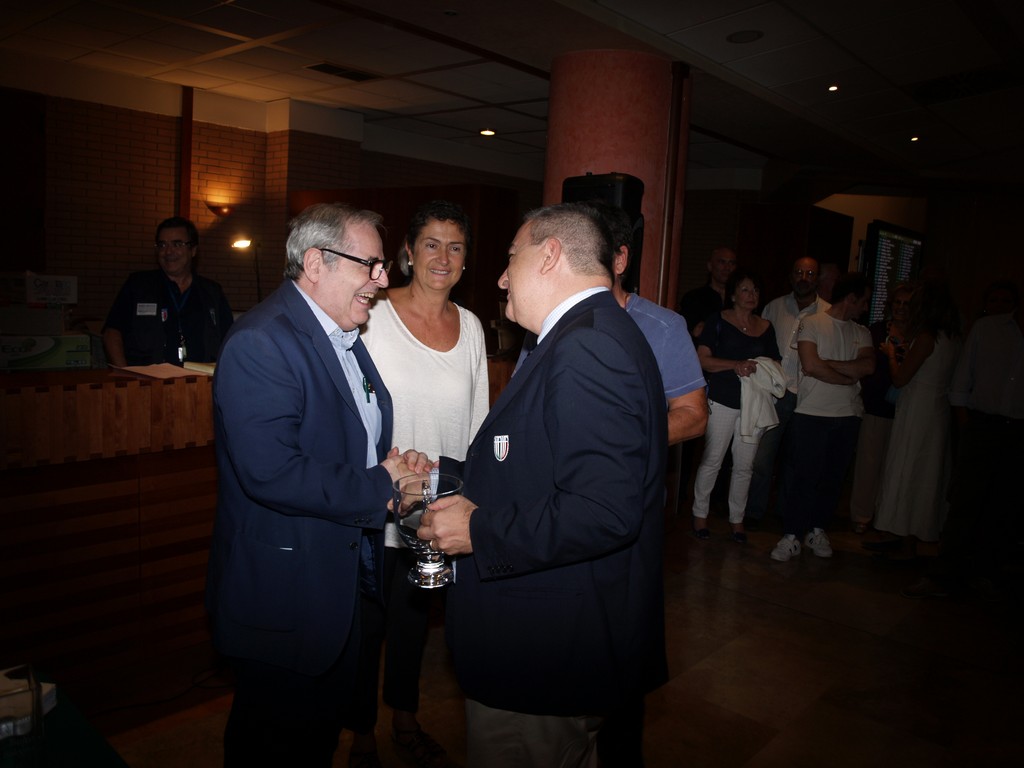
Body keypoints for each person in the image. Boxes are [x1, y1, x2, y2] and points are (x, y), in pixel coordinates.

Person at [417, 203, 668, 767]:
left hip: (546, 649)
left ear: (550, 255)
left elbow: (603, 510)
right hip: (554, 638)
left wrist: (479, 530)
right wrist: (440, 476)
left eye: (511, 258)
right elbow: (533, 466)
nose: (502, 278)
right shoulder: (581, 335)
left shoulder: (588, 346)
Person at [205, 203, 431, 767]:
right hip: (285, 593)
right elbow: (271, 471)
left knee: (317, 741)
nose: (383, 279)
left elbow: (341, 441)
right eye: (370, 264)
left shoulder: (342, 335)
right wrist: (378, 483)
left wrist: (389, 464)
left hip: (339, 588)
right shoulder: (262, 341)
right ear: (315, 263)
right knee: (274, 747)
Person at [350, 201, 489, 768]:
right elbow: (351, 409)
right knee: (366, 628)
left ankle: (405, 720)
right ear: (408, 251)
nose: (443, 257)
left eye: (455, 246)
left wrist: (470, 497)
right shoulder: (372, 315)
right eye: (431, 243)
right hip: (379, 502)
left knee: (413, 627)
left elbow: (479, 424)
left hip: (436, 514)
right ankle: (360, 734)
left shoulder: (472, 326)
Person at [588, 201, 707, 768]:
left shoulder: (661, 327)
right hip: (563, 511)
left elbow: (694, 415)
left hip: (630, 513)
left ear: (619, 259)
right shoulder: (552, 323)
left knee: (622, 648)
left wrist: (617, 438)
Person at [902, 281, 1023, 600]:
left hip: (1016, 431)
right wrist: (967, 428)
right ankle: (945, 572)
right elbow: (961, 383)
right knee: (964, 503)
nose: (1000, 305)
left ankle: (987, 572)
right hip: (982, 425)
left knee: (1003, 505)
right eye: (995, 299)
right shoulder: (985, 330)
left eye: (1006, 300)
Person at [770, 272, 874, 563]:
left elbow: (867, 366)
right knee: (803, 476)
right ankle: (791, 534)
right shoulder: (813, 323)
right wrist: (846, 378)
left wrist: (827, 363)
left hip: (848, 415)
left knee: (832, 478)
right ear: (850, 298)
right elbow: (811, 365)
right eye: (863, 301)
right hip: (811, 413)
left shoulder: (862, 332)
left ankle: (817, 530)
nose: (865, 307)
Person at [867, 280, 961, 560]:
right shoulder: (953, 337)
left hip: (918, 410)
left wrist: (892, 354)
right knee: (925, 473)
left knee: (908, 470)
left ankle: (904, 538)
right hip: (937, 410)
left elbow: (900, 378)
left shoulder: (927, 338)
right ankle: (905, 535)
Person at [691, 270, 781, 543]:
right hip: (722, 399)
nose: (751, 295)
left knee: (745, 465)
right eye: (745, 289)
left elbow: (775, 362)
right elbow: (703, 360)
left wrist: (760, 366)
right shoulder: (717, 321)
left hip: (754, 403)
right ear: (732, 295)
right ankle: (700, 515)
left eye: (755, 290)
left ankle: (737, 520)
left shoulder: (765, 326)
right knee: (713, 460)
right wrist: (735, 365)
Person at [744, 257, 830, 530]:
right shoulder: (774, 307)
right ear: (791, 276)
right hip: (775, 394)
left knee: (795, 460)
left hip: (808, 396)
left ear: (817, 278)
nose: (804, 277)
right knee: (762, 459)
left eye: (810, 273)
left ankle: (786, 514)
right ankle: (754, 512)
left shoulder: (827, 313)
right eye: (799, 272)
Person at [103, 216, 233, 366]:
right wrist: (125, 374)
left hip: (199, 378)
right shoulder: (138, 286)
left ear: (193, 250)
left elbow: (230, 338)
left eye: (177, 244)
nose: (168, 251)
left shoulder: (212, 292)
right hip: (147, 378)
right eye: (162, 245)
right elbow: (112, 332)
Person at [848, 283, 912, 534]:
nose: (901, 308)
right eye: (897, 302)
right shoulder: (875, 331)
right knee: (868, 464)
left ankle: (886, 517)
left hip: (905, 410)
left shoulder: (919, 335)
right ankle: (861, 515)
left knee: (894, 467)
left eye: (907, 304)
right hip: (875, 406)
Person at [678, 246, 737, 340]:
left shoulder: (741, 299)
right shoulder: (693, 298)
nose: (727, 268)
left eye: (732, 263)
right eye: (722, 262)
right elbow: (691, 331)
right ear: (710, 266)